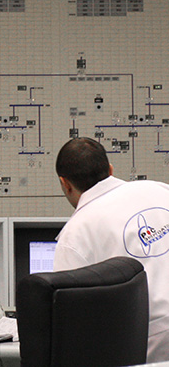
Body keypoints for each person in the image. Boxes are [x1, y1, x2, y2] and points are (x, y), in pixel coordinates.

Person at [54, 137, 169, 363]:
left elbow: (69, 322)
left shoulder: (75, 234)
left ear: (65, 183)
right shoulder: (160, 189)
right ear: (110, 169)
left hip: (146, 348)